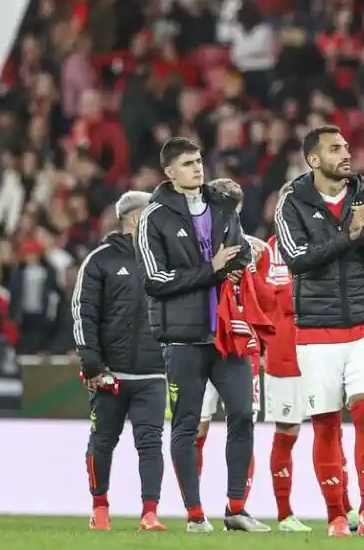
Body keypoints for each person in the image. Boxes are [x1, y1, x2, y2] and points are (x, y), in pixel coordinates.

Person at [274, 125, 364, 537]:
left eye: (347, 146)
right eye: (335, 149)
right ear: (314, 160)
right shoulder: (291, 204)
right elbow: (297, 260)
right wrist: (349, 236)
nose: (346, 153)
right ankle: (336, 516)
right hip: (316, 330)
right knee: (326, 422)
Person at [134, 137, 267, 532]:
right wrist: (210, 269)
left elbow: (239, 251)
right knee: (187, 425)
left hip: (227, 334)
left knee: (244, 413)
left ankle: (236, 509)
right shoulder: (153, 217)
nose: (198, 168)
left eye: (199, 161)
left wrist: (238, 263)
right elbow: (154, 280)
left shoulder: (222, 206)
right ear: (169, 172)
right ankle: (194, 515)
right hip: (183, 338)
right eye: (188, 163)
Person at [259, 183, 356, 532]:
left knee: (331, 430)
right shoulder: (267, 255)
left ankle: (345, 509)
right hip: (283, 359)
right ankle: (285, 514)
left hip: (320, 352)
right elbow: (262, 306)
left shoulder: (322, 251)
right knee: (288, 431)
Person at [73, 191, 167, 532]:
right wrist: (92, 366)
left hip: (154, 372)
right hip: (109, 373)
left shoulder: (165, 259)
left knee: (151, 442)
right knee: (102, 441)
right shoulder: (100, 260)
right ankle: (100, 508)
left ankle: (150, 513)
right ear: (134, 219)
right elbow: (84, 315)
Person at [193, 178, 269, 518]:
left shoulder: (257, 251)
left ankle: (236, 506)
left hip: (237, 345)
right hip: (203, 342)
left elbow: (266, 302)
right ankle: (195, 510)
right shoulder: (194, 244)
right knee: (200, 426)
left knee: (240, 424)